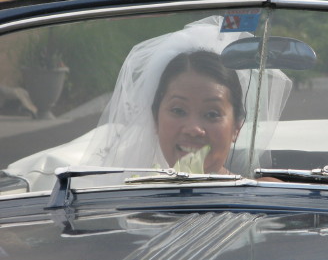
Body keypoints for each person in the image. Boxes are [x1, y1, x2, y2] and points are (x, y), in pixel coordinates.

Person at [81, 15, 292, 177]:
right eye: (178, 110)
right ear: (155, 119)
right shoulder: (126, 202)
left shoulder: (269, 199)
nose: (193, 129)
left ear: (237, 126)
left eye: (212, 114)